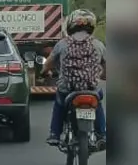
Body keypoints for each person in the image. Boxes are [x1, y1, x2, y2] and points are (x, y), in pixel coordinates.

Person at [42, 9, 107, 148]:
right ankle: (103, 134)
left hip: (67, 88)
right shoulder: (98, 44)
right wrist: (104, 75)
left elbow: (49, 63)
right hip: (91, 89)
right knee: (98, 103)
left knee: (59, 103)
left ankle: (54, 134)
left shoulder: (62, 44)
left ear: (70, 25)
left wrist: (44, 72)